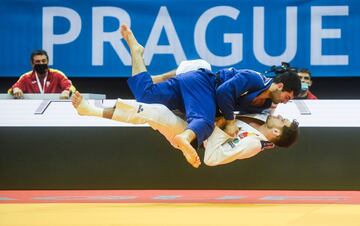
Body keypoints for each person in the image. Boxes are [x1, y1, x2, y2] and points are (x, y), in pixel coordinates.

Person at [120, 24, 301, 168]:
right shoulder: (253, 78)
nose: (287, 101)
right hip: (206, 86)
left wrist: (267, 143)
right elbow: (223, 93)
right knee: (204, 120)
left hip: (196, 90)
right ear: (280, 85)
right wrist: (229, 121)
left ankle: (136, 52)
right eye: (288, 96)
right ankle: (185, 137)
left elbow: (269, 134)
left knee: (146, 96)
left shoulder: (265, 106)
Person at [72, 91, 299, 167]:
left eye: (283, 121)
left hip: (195, 140)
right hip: (202, 115)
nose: (279, 116)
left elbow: (211, 159)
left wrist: (221, 127)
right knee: (196, 67)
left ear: (277, 133)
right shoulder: (263, 117)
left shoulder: (251, 144)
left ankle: (89, 111)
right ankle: (158, 79)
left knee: (155, 114)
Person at [8, 49, 75, 99]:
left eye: (43, 61)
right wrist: (16, 89)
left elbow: (71, 87)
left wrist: (67, 91)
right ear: (32, 63)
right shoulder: (26, 77)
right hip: (32, 109)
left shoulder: (57, 74)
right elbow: (12, 89)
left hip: (54, 108)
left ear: (48, 61)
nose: (41, 63)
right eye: (37, 61)